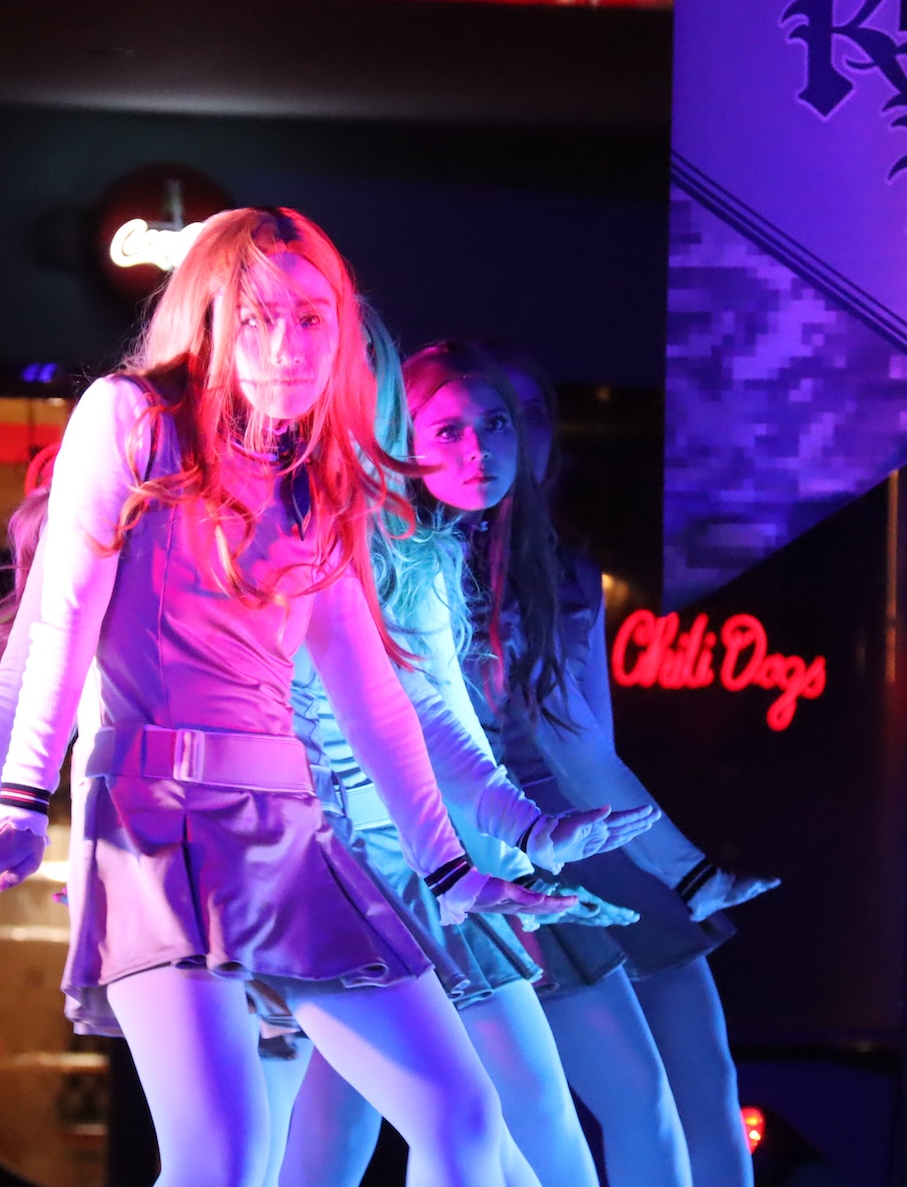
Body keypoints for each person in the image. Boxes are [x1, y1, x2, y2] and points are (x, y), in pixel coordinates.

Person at [0, 208, 575, 1187]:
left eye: (312, 318)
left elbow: (373, 690)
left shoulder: (320, 471)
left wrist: (452, 869)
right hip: (155, 824)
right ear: (209, 317)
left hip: (291, 828)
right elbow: (55, 630)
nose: (289, 346)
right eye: (259, 318)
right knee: (224, 1158)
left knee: (461, 1118)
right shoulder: (131, 418)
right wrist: (0, 809)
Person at [273, 313, 651, 1187]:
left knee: (448, 1136)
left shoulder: (419, 552)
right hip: (323, 869)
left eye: (495, 424)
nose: (480, 449)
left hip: (414, 862)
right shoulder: (308, 531)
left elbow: (436, 717)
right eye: (448, 428)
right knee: (440, 1135)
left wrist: (527, 835)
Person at [446, 339, 775, 1187]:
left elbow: (589, 738)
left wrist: (674, 863)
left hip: (583, 826)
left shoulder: (558, 564)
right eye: (476, 423)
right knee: (547, 1118)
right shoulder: (424, 558)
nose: (503, 441)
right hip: (492, 843)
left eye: (521, 419)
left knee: (700, 1088)